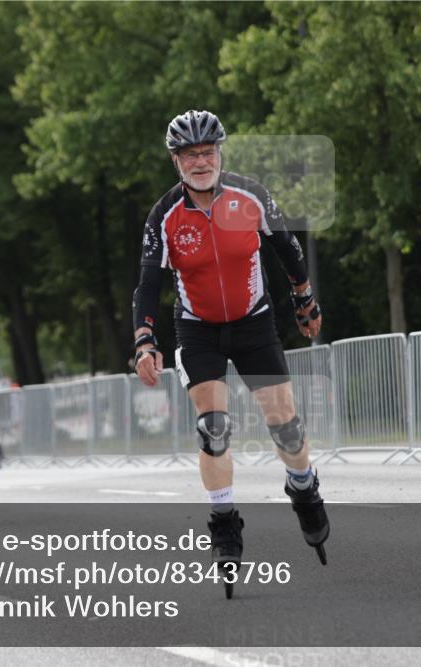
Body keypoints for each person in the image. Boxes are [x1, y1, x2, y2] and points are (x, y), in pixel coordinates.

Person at [132, 110, 330, 569]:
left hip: (253, 323)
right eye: (189, 155)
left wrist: (305, 298)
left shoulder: (251, 196)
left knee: (286, 423)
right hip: (197, 330)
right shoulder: (164, 216)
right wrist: (145, 339)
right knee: (213, 428)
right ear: (176, 162)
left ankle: (303, 486)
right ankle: (223, 520)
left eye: (207, 152)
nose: (200, 162)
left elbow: (287, 248)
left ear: (220, 153)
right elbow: (147, 284)